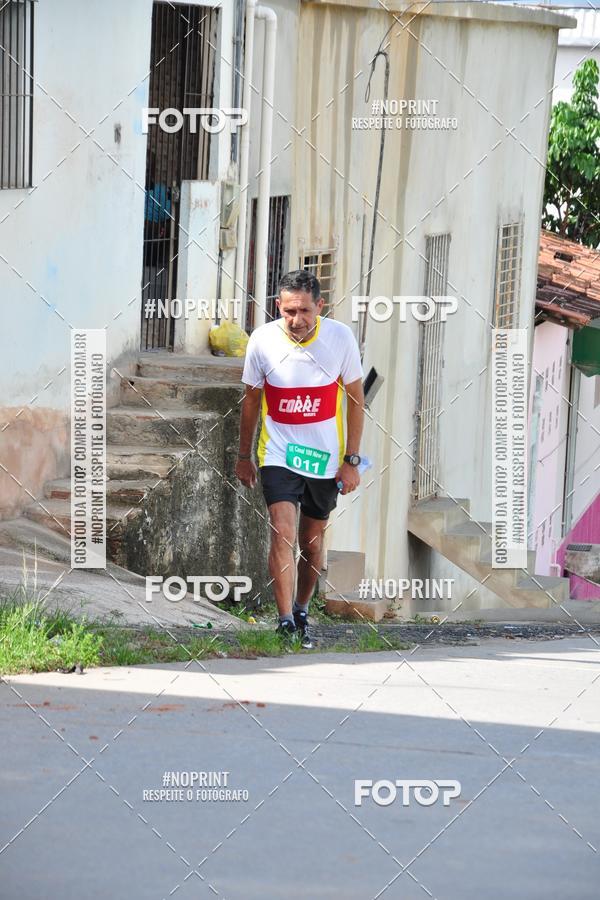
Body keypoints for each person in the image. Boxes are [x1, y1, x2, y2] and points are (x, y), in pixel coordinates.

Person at [235, 269, 365, 648]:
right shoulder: (262, 341)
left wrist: (351, 461)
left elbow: (356, 401)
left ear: (320, 306)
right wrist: (244, 455)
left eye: (305, 311)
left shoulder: (340, 338)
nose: (297, 320)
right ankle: (285, 622)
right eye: (289, 311)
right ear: (278, 306)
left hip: (325, 459)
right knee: (282, 532)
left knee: (311, 543)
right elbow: (251, 401)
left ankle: (303, 608)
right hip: (278, 453)